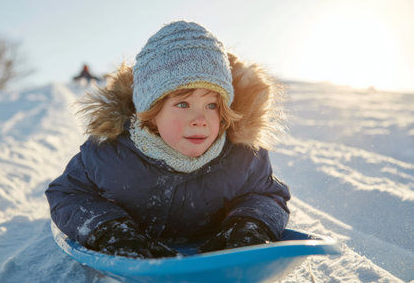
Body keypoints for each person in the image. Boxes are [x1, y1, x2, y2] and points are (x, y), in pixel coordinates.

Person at [45, 20, 290, 259]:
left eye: (212, 105)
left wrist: (249, 224)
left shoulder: (243, 157)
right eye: (183, 104)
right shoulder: (109, 155)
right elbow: (68, 194)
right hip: (132, 240)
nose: (200, 119)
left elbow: (268, 195)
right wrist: (109, 229)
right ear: (151, 113)